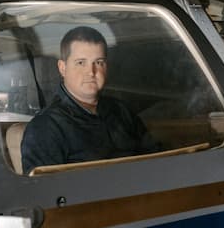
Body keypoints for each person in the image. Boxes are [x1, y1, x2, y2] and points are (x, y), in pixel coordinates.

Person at [20, 26, 159, 175]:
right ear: (62, 68)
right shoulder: (45, 128)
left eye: (98, 62)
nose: (91, 72)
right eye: (81, 63)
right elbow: (45, 193)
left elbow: (157, 161)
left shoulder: (121, 111)